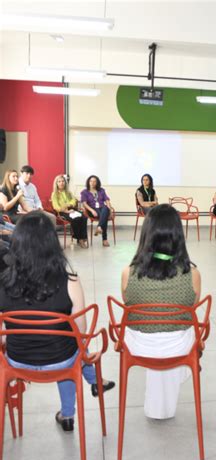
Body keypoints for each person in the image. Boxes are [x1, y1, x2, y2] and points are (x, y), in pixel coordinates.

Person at [0, 212, 115, 432]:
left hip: (17, 362)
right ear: (52, 243)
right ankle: (75, 406)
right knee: (71, 347)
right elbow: (80, 334)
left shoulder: (3, 283)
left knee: (67, 346)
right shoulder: (70, 281)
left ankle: (81, 398)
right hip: (61, 360)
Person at [121, 204, 201, 419]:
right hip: (178, 345)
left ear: (146, 234)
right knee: (191, 326)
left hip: (140, 345)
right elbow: (190, 310)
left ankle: (159, 405)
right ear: (178, 235)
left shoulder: (128, 273)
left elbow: (131, 307)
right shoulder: (192, 275)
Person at [51, 174, 88, 248]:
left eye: (63, 181)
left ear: (65, 183)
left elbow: (74, 200)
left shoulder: (68, 192)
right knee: (76, 219)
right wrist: (65, 210)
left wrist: (68, 204)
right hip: (62, 212)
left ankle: (82, 237)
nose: (61, 183)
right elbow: (56, 207)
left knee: (84, 217)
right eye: (59, 181)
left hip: (71, 209)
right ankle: (80, 239)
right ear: (56, 183)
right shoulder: (54, 194)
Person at [80, 175, 113, 247]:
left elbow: (107, 200)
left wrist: (110, 209)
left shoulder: (101, 190)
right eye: (91, 181)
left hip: (102, 208)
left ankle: (99, 227)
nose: (92, 183)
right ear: (88, 182)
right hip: (92, 210)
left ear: (97, 183)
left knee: (105, 209)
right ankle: (105, 239)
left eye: (94, 181)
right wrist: (92, 210)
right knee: (104, 216)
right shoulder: (84, 192)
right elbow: (84, 204)